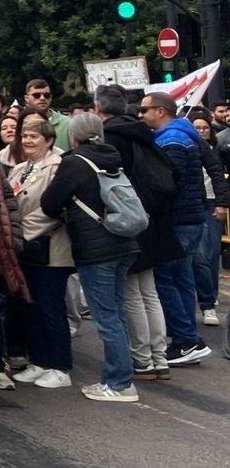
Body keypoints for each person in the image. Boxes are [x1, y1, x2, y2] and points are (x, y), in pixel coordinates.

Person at [38, 114, 140, 402]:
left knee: (106, 317)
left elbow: (49, 204)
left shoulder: (74, 163)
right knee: (117, 313)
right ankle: (117, 376)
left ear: (74, 135)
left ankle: (119, 383)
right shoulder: (113, 157)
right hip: (124, 242)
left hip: (96, 249)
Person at [94, 85, 181, 382]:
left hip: (131, 223)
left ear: (98, 108)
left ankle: (142, 358)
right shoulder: (145, 134)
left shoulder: (112, 138)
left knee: (132, 293)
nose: (143, 113)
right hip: (154, 221)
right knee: (149, 291)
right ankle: (158, 357)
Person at [138, 92, 213, 365]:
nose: (141, 115)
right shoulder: (183, 136)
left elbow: (171, 183)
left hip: (179, 220)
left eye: (145, 110)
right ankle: (188, 336)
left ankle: (185, 340)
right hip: (190, 218)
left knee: (165, 278)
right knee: (182, 278)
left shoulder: (171, 141)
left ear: (160, 111)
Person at [7, 117, 73, 391]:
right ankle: (40, 360)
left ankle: (60, 365)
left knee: (51, 307)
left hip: (51, 248)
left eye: (35, 137)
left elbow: (54, 208)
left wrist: (20, 230)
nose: (28, 141)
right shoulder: (20, 168)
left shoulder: (58, 167)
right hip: (24, 249)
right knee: (29, 306)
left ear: (48, 140)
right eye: (25, 136)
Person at [189, 114, 228, 328]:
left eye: (205, 127)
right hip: (196, 204)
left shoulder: (216, 152)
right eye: (197, 127)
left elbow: (220, 178)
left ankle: (211, 293)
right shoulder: (186, 150)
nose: (202, 131)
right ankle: (207, 303)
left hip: (213, 204)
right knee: (201, 255)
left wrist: (222, 203)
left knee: (212, 253)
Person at [24, 79, 71, 151]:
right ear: (26, 98)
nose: (42, 98)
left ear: (51, 97)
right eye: (36, 95)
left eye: (47, 95)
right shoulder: (17, 123)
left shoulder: (67, 123)